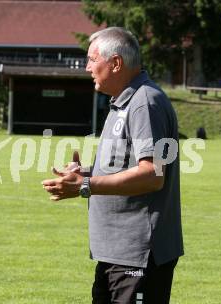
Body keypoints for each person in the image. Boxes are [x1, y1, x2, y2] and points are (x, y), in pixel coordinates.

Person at [42, 27, 183, 304]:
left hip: (138, 254)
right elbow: (125, 166)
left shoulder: (145, 102)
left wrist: (85, 185)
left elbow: (152, 174)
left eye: (92, 60)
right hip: (117, 253)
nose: (87, 68)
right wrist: (85, 173)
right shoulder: (123, 102)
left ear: (115, 63)